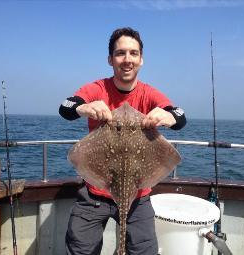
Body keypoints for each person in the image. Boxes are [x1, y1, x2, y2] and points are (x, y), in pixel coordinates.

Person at [59, 27, 186, 255]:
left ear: (141, 59)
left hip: (138, 197)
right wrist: (83, 107)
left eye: (133, 53)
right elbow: (65, 107)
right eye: (120, 53)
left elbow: (180, 115)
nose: (127, 59)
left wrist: (169, 117)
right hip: (95, 193)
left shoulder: (149, 93)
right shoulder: (97, 88)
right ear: (110, 59)